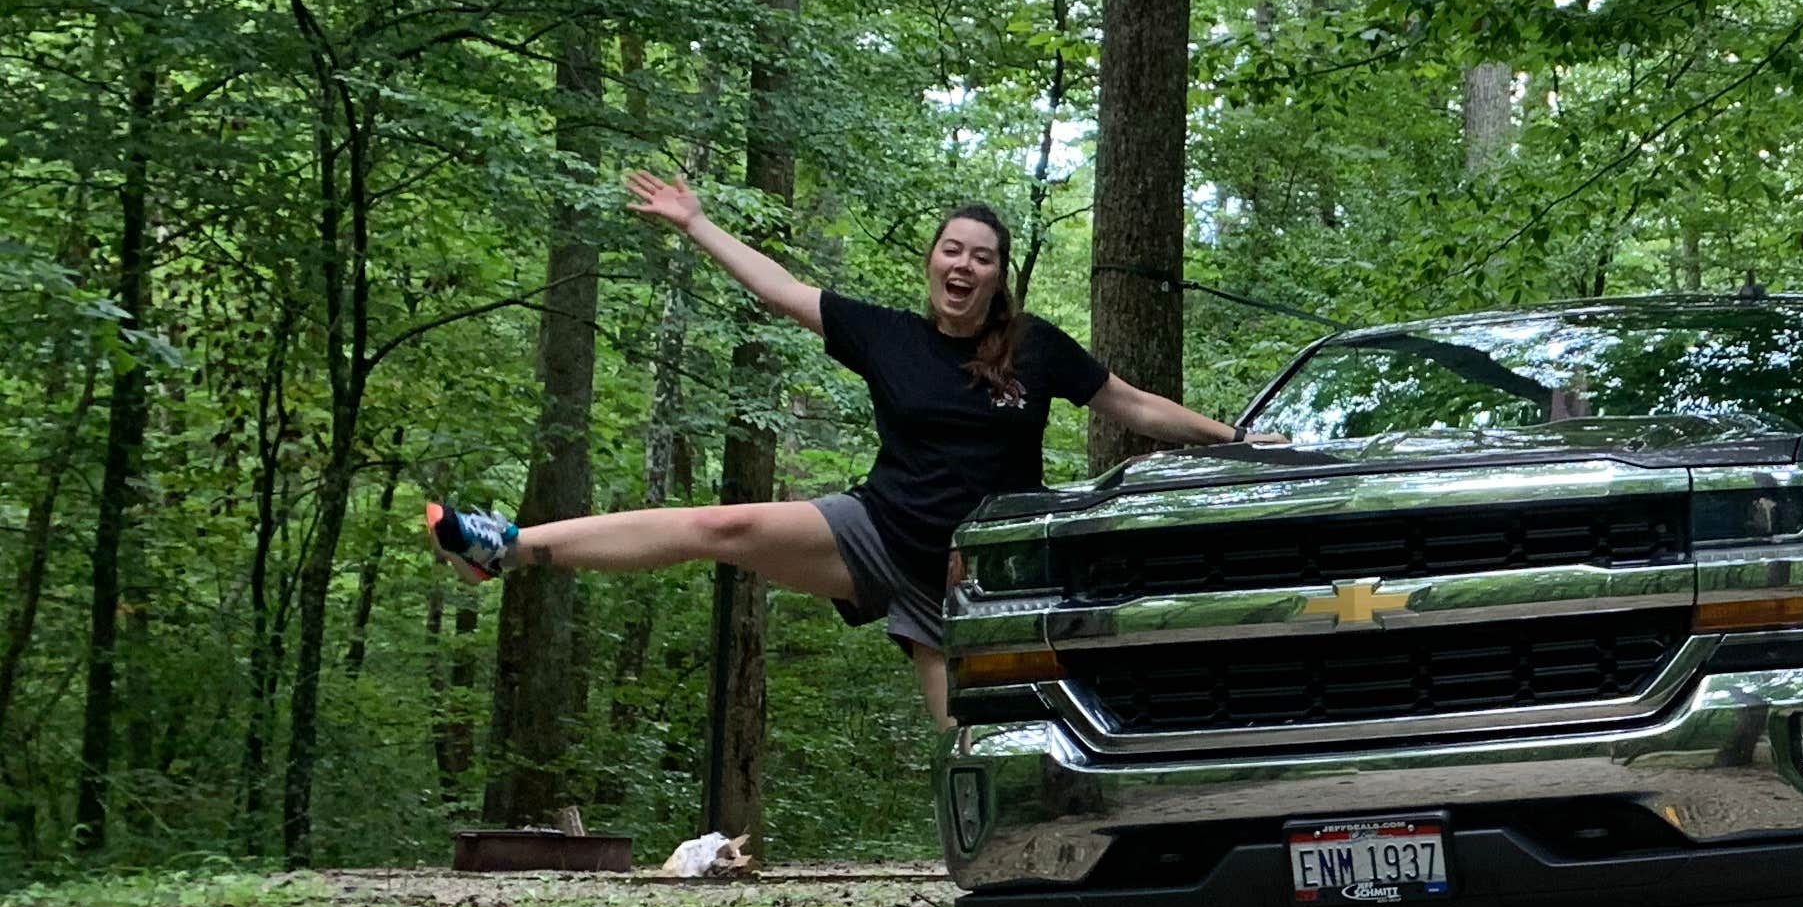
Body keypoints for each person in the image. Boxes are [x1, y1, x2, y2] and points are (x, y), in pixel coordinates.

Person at [426, 179, 1235, 722]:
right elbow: (778, 289)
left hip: (973, 577)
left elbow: (1128, 404)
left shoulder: (1035, 348)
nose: (964, 265)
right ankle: (507, 548)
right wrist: (696, 222)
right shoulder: (886, 335)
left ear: (998, 277)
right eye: (952, 249)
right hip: (878, 533)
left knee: (978, 736)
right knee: (721, 528)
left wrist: (1231, 440)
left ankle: (1023, 887)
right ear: (932, 261)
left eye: (981, 257)